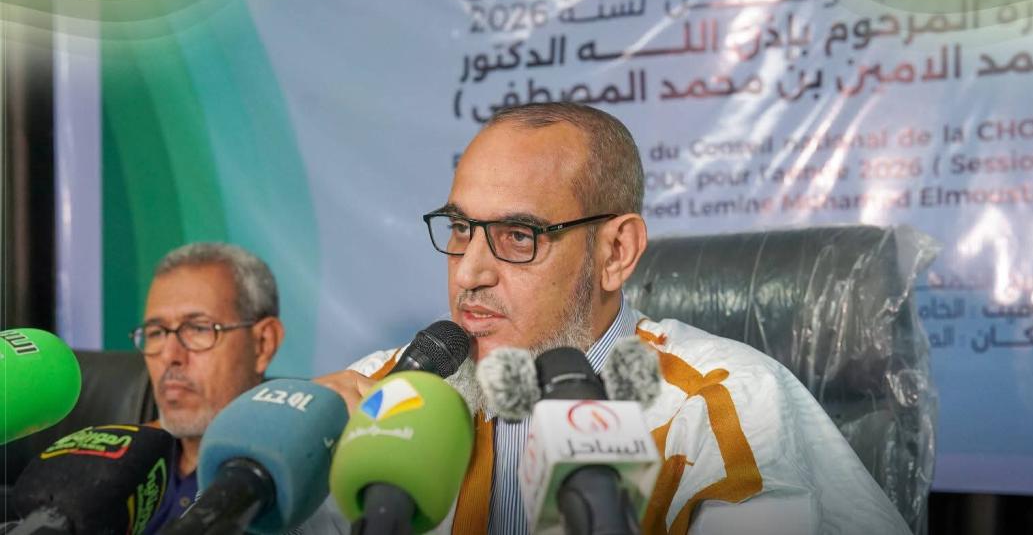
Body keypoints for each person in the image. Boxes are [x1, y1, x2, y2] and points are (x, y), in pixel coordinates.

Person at [317, 102, 910, 534]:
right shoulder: (389, 395)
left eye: (518, 235)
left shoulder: (723, 404)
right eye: (460, 228)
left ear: (616, 253)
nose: (469, 272)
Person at [135, 243, 344, 534]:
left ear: (263, 344)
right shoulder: (126, 465)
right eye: (156, 332)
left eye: (198, 328)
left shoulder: (302, 490)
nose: (170, 355)